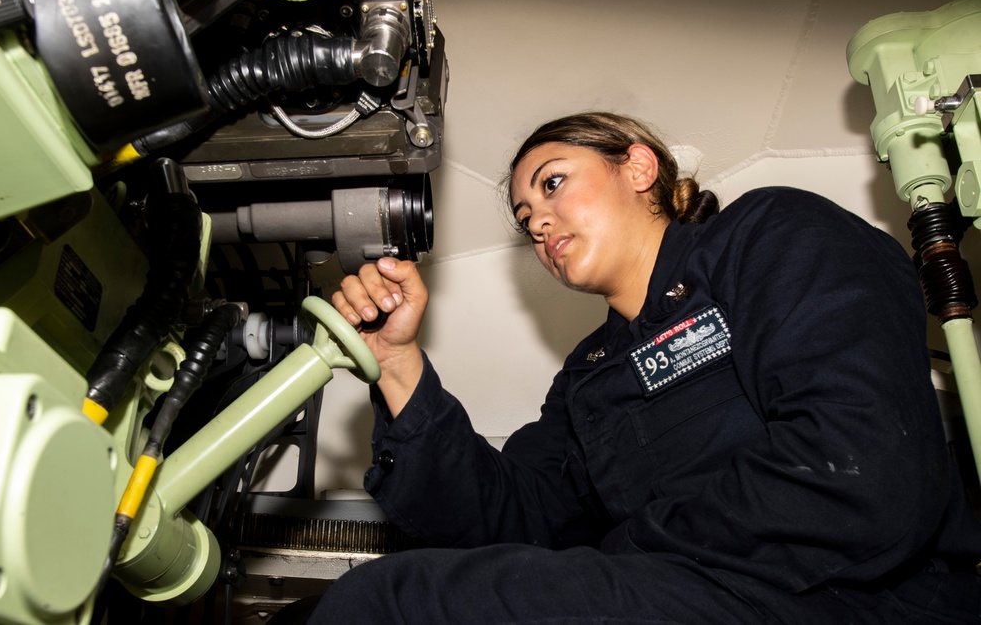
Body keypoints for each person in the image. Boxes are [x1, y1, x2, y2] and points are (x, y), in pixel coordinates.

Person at [292, 112, 981, 623]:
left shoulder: (769, 236)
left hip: (868, 601)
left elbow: (855, 465)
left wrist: (625, 548)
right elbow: (509, 517)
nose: (537, 223)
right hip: (689, 595)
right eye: (524, 215)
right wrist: (397, 366)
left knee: (389, 606)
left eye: (553, 184)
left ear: (640, 167)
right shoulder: (588, 375)